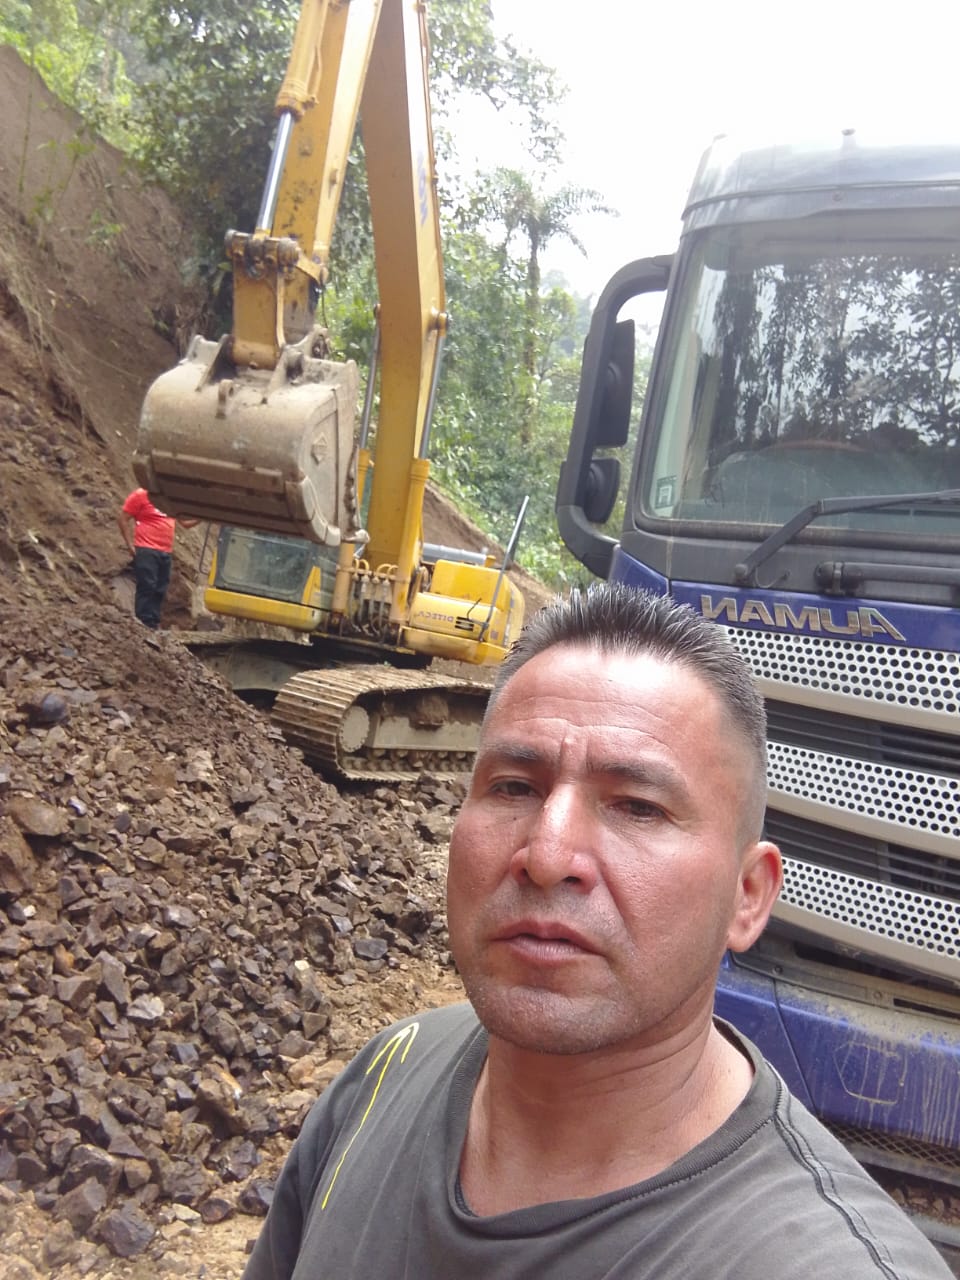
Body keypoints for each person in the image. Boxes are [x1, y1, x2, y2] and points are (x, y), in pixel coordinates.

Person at [243, 585, 951, 1280]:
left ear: (747, 896)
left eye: (637, 807)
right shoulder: (386, 1076)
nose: (548, 856)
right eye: (514, 787)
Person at [117, 487, 196, 629]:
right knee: (147, 584)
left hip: (165, 551)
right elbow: (123, 518)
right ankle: (143, 621)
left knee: (161, 587)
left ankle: (153, 622)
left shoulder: (170, 499)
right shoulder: (141, 495)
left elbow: (185, 524)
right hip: (146, 548)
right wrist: (130, 545)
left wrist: (205, 517)